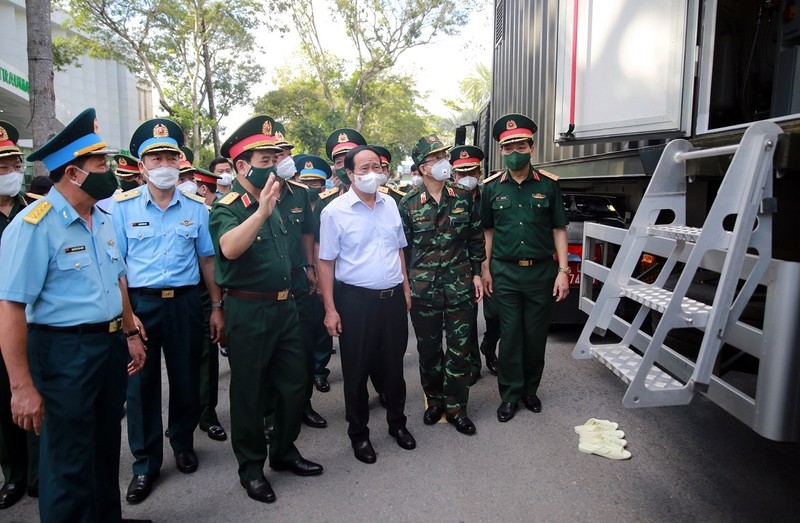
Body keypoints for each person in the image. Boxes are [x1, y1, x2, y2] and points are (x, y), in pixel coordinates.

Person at [0, 108, 147, 522]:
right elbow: (10, 306)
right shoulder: (34, 226)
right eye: (101, 163)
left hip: (107, 347)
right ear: (74, 174)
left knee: (103, 451)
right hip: (64, 353)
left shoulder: (101, 218)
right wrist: (21, 387)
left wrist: (131, 332)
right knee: (68, 461)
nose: (112, 170)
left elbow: (117, 279)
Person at [211, 115, 323, 504]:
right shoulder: (229, 206)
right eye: (264, 160)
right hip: (248, 311)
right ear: (241, 166)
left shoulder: (276, 198)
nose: (273, 166)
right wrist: (259, 212)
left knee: (294, 384)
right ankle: (252, 468)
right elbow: (228, 249)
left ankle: (285, 451)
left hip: (284, 306)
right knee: (249, 394)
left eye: (275, 159)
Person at [113, 118, 224, 504]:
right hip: (141, 305)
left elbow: (207, 260)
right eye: (154, 158)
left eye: (169, 157)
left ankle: (182, 441)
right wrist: (128, 319)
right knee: (140, 386)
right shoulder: (121, 208)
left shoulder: (196, 208)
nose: (163, 164)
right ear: (141, 166)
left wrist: (215, 306)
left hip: (185, 302)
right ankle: (145, 463)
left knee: (186, 376)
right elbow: (118, 270)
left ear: (180, 162)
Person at [318, 145, 416, 464]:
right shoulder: (334, 211)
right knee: (357, 372)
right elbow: (326, 263)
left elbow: (399, 249)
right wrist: (331, 309)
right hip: (355, 302)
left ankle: (397, 425)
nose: (372, 173)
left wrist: (405, 288)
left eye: (376, 166)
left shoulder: (390, 204)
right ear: (349, 174)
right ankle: (359, 435)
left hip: (391, 301)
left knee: (393, 368)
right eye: (364, 168)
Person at [480, 114, 569, 422]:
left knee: (534, 335)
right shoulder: (490, 189)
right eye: (507, 147)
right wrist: (485, 269)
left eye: (520, 145)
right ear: (501, 152)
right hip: (504, 273)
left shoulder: (549, 186)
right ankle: (509, 395)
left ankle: (530, 390)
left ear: (531, 147)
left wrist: (563, 271)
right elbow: (488, 232)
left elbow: (559, 229)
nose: (514, 152)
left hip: (540, 273)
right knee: (511, 335)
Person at [400, 136, 485, 436]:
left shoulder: (462, 195)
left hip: (460, 284)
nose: (445, 162)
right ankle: (434, 401)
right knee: (429, 350)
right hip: (424, 290)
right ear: (423, 168)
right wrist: (406, 286)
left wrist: (477, 273)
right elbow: (403, 250)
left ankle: (457, 407)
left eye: (444, 155)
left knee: (460, 350)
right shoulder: (408, 204)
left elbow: (475, 237)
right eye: (437, 158)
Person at [0, 120, 39, 510]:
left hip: (32, 319)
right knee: (3, 398)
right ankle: (13, 473)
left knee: (35, 393)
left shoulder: (32, 209)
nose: (9, 173)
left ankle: (38, 474)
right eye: (1, 167)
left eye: (13, 165)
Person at [450, 145, 499, 381]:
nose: (466, 178)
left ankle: (489, 347)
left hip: (492, 262)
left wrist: (485, 266)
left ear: (479, 173)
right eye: (461, 173)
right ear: (453, 174)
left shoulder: (490, 193)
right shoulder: (449, 197)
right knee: (467, 318)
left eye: (471, 172)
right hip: (462, 267)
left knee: (495, 315)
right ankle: (472, 365)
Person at [191, 167, 228, 443]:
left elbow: (210, 258)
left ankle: (207, 414)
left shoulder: (201, 211)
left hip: (200, 291)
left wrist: (217, 303)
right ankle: (180, 419)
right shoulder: (128, 208)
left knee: (206, 355)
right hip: (152, 297)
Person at [296, 155, 334, 394]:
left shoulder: (327, 206)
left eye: (315, 183)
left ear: (323, 185)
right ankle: (302, 372)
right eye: (305, 182)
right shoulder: (290, 203)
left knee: (321, 324)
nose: (310, 187)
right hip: (296, 273)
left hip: (321, 270)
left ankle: (320, 371)